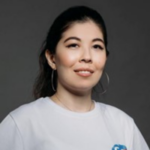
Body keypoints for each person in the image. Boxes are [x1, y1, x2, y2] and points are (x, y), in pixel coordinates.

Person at [0, 6, 149, 150]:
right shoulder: (22, 123)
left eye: (96, 46)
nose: (87, 57)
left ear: (105, 57)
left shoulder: (123, 125)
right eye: (73, 45)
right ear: (52, 58)